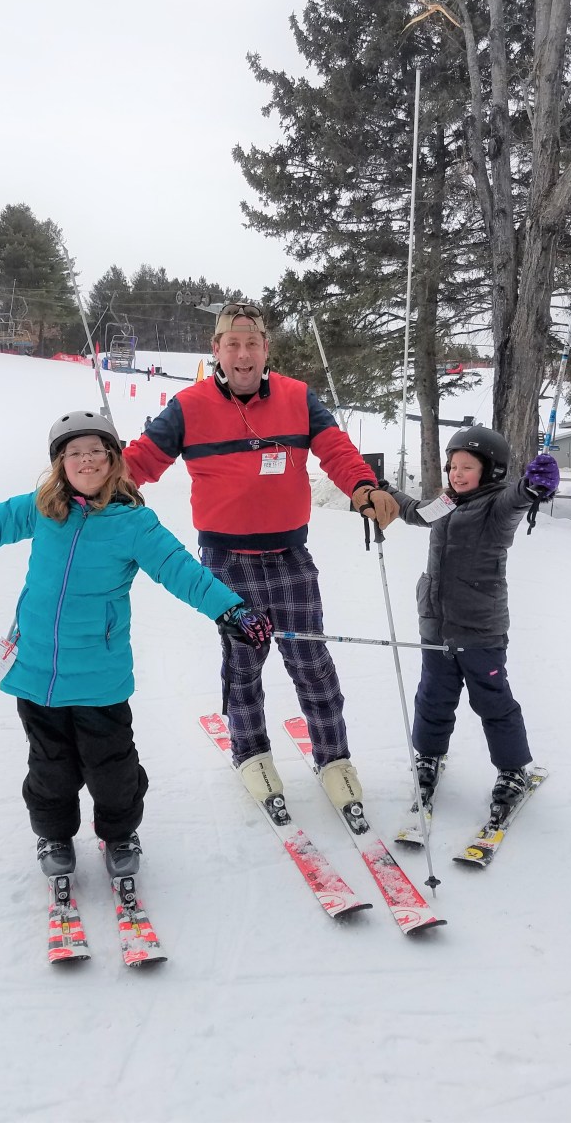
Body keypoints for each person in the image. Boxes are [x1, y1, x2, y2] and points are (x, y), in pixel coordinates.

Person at [0, 410, 272, 879]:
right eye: (74, 453)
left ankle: (119, 834)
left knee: (112, 768)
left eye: (96, 451)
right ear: (60, 464)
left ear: (113, 459)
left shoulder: (134, 523)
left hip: (100, 676)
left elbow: (182, 570)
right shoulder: (41, 507)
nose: (86, 460)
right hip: (36, 671)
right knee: (49, 766)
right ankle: (53, 834)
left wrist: (230, 609)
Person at [121, 302, 399, 813]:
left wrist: (364, 486)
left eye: (252, 344)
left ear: (266, 348)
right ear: (217, 351)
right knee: (244, 661)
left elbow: (335, 448)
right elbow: (142, 460)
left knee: (311, 661)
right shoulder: (188, 405)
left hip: (290, 555)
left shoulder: (297, 397)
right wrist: (100, 484)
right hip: (226, 559)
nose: (243, 354)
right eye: (233, 344)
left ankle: (334, 759)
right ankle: (250, 752)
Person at [389, 424, 560, 811]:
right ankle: (429, 756)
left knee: (493, 703)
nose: (456, 474)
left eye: (467, 467)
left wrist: (535, 486)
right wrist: (383, 490)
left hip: (480, 630)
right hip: (436, 625)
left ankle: (513, 769)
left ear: (492, 471)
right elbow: (414, 513)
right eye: (452, 466)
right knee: (432, 698)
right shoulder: (446, 503)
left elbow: (518, 499)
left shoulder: (497, 508)